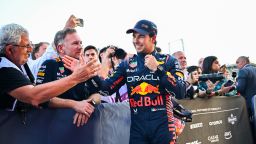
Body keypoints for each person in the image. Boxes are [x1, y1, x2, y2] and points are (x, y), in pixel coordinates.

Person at [64, 20, 186, 144]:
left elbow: (181, 91)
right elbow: (105, 89)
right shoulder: (127, 64)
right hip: (138, 131)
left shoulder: (168, 61)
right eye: (134, 36)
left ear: (153, 38)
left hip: (163, 128)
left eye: (141, 36)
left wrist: (158, 69)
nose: (135, 40)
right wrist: (87, 74)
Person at [0, 23, 99, 113]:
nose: (30, 50)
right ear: (9, 50)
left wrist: (89, 105)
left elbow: (100, 92)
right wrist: (76, 78)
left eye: (30, 45)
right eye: (26, 46)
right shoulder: (4, 67)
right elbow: (36, 97)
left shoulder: (20, 64)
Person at [36, 28, 98, 127]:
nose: (81, 47)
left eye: (81, 43)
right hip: (55, 127)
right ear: (61, 48)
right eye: (75, 43)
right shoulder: (50, 64)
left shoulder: (85, 67)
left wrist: (89, 104)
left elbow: (98, 94)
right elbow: (41, 97)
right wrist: (75, 104)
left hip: (84, 129)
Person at [235, 56, 256, 137]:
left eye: (237, 62)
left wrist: (234, 86)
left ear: (244, 62)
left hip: (250, 105)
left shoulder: (243, 71)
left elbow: (240, 88)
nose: (236, 65)